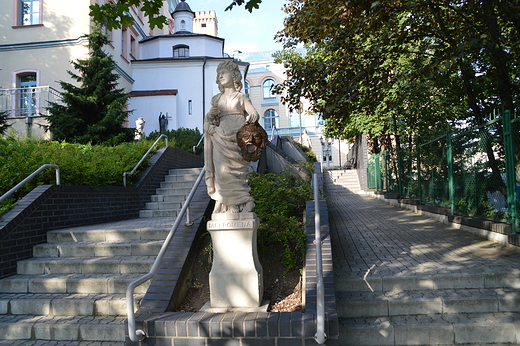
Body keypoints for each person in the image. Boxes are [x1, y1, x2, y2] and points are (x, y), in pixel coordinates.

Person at [204, 60, 260, 214]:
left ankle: (245, 202)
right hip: (220, 138)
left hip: (238, 137)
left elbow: (253, 112)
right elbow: (210, 118)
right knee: (222, 173)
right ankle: (229, 205)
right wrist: (210, 116)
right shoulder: (216, 99)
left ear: (234, 75)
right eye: (218, 73)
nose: (220, 75)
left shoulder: (241, 97)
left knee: (238, 174)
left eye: (224, 72)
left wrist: (253, 117)